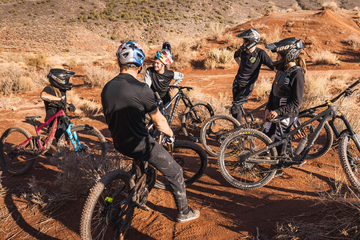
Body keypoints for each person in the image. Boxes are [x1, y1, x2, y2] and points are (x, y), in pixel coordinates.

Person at [101, 41, 200, 223]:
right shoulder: (142, 89)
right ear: (139, 66)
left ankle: (139, 187)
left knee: (141, 153)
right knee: (176, 171)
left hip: (118, 141)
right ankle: (184, 212)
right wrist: (170, 134)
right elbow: (160, 121)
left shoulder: (106, 88)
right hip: (139, 145)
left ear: (118, 63)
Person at [264, 37, 306, 173]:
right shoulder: (281, 70)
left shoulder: (297, 74)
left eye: (279, 55)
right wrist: (268, 108)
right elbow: (273, 92)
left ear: (288, 55)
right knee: (267, 135)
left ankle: (278, 167)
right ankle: (273, 159)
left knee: (279, 139)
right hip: (274, 111)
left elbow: (296, 102)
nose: (277, 58)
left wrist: (279, 111)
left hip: (286, 114)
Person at [232, 28, 274, 124]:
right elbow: (235, 55)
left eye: (245, 41)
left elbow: (272, 66)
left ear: (251, 41)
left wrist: (284, 74)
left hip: (248, 85)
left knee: (236, 107)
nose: (243, 43)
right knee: (235, 110)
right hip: (237, 83)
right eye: (243, 41)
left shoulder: (260, 53)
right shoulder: (242, 51)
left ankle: (238, 132)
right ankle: (237, 132)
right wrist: (240, 65)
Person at [144, 42, 184, 117]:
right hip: (154, 99)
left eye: (157, 63)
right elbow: (147, 86)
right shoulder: (149, 71)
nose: (155, 65)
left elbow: (181, 76)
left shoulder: (169, 74)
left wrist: (173, 87)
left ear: (163, 65)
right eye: (154, 63)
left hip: (166, 100)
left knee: (166, 120)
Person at [40, 69, 76, 140]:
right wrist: (58, 100)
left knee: (66, 137)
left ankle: (63, 149)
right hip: (53, 120)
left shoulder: (62, 89)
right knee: (60, 139)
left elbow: (63, 98)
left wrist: (70, 103)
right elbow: (43, 95)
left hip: (62, 117)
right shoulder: (49, 88)